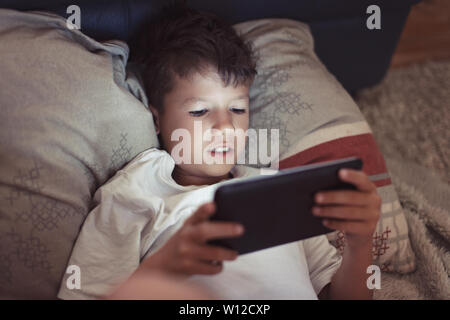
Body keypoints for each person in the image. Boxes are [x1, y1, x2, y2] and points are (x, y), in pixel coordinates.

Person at [58, 3, 381, 300]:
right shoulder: (134, 194)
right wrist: (162, 270)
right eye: (199, 112)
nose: (226, 128)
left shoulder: (277, 188)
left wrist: (359, 243)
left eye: (238, 109)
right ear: (157, 118)